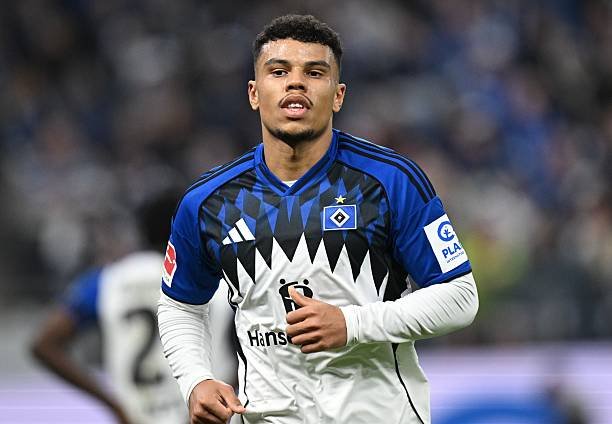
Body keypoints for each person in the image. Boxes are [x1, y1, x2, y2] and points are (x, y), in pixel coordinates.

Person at [158, 14, 479, 424]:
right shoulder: (208, 201)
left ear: (338, 95)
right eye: (279, 72)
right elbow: (180, 305)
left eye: (314, 72)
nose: (296, 83)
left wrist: (352, 323)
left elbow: (459, 297)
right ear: (254, 93)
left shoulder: (391, 181)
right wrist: (195, 379)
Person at [30, 190, 195, 424]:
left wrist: (113, 405)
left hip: (135, 415)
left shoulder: (107, 280)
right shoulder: (209, 280)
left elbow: (43, 344)